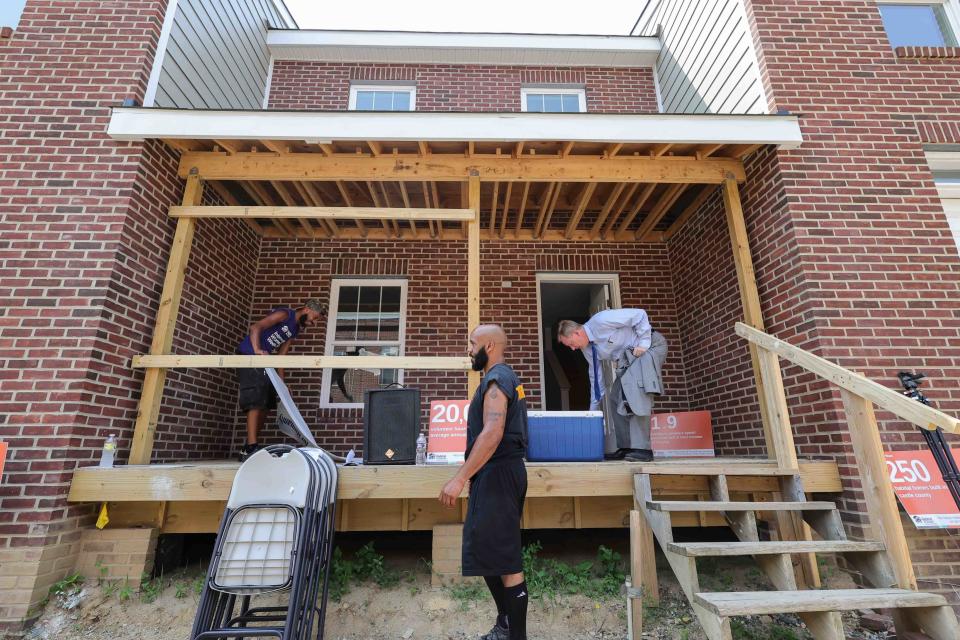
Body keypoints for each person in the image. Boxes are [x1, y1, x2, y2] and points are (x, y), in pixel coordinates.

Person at [439, 325, 529, 640]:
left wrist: (460, 477)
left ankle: (514, 634)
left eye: (472, 344)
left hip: (500, 474)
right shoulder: (499, 379)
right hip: (495, 475)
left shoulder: (498, 379)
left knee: (505, 560)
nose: (468, 350)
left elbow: (493, 431)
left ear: (488, 345)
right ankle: (505, 624)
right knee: (487, 551)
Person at [557, 309, 668, 462]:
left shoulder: (601, 320)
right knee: (615, 397)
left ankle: (643, 449)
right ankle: (626, 447)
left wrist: (643, 342)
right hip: (629, 360)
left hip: (650, 346)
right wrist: (592, 411)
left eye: (571, 344)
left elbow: (640, 314)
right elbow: (596, 379)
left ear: (577, 333)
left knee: (634, 392)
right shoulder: (588, 350)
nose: (572, 348)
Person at [235, 299, 326, 461]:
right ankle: (251, 447)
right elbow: (256, 327)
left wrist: (282, 383)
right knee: (256, 400)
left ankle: (249, 447)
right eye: (315, 317)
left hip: (266, 363)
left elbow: (282, 356)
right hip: (250, 356)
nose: (314, 323)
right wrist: (257, 350)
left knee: (266, 403)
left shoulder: (295, 329)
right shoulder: (285, 314)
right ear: (306, 309)